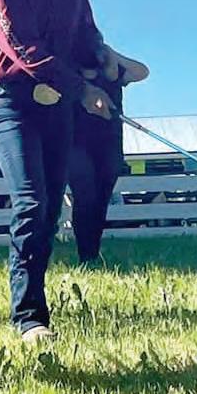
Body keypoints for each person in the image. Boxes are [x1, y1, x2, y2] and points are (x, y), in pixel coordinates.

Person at [0, 0, 115, 343]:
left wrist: (105, 58)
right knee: (32, 202)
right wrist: (82, 90)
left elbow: (86, 34)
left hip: (59, 109)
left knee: (51, 206)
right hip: (13, 106)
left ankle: (35, 298)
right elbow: (22, 47)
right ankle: (29, 316)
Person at [69, 46, 148, 265]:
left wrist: (113, 54)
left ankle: (92, 252)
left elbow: (142, 72)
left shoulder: (111, 74)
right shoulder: (71, 78)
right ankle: (86, 254)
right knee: (85, 194)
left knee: (101, 199)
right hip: (77, 143)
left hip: (109, 144)